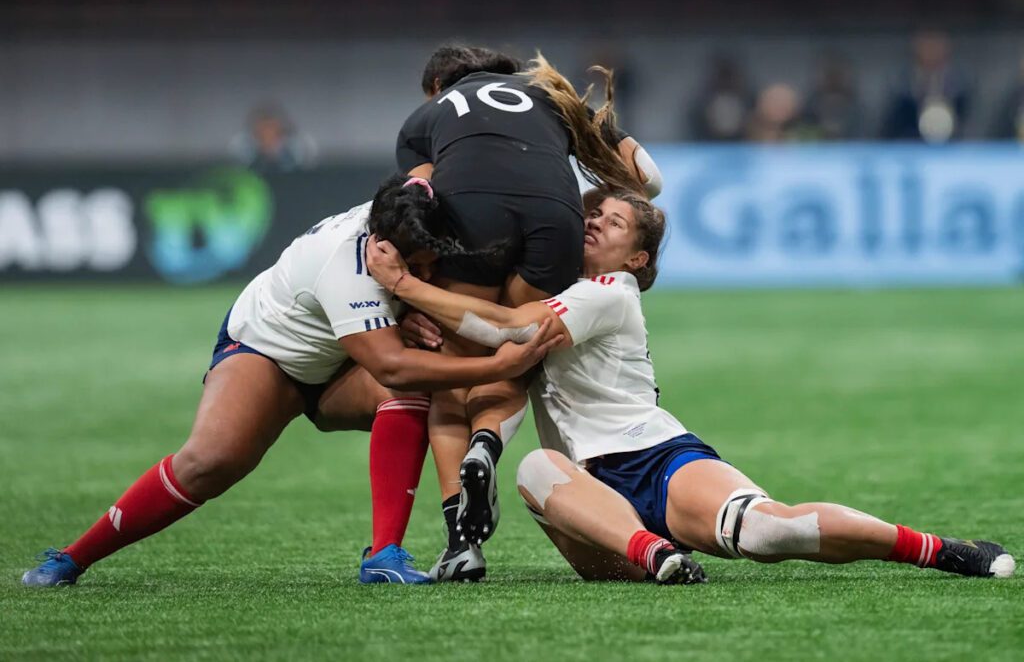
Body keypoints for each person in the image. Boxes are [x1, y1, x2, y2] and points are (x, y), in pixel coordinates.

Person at [367, 185, 1016, 583]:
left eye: (613, 223)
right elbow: (503, 344)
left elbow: (508, 331)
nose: (593, 222)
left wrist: (405, 287)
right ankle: (656, 553)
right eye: (593, 214)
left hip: (654, 458)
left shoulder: (606, 290)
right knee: (539, 468)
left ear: (636, 259)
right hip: (591, 495)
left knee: (769, 532)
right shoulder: (552, 285)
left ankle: (935, 549)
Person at [21, 175, 561, 588]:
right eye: (414, 267)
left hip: (335, 361)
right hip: (267, 351)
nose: (421, 277)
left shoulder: (401, 215)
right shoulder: (346, 266)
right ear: (383, 246)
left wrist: (400, 307)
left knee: (413, 387)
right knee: (211, 460)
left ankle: (384, 556)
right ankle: (73, 557)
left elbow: (422, 170)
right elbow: (391, 366)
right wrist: (495, 368)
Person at [397, 45, 661, 580]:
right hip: (554, 213)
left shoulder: (425, 116)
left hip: (469, 207)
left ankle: (460, 540)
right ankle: (487, 445)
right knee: (517, 350)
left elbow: (415, 210)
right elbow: (648, 178)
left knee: (455, 369)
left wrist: (407, 295)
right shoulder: (550, 92)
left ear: (436, 87)